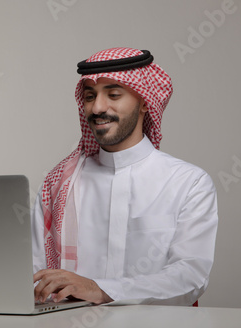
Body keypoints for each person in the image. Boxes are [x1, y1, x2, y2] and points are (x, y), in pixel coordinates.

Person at [31, 47, 218, 306]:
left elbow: (189, 278)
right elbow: (33, 273)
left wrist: (100, 289)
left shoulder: (187, 182)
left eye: (114, 94)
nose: (97, 107)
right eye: (89, 96)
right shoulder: (59, 183)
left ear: (144, 101)